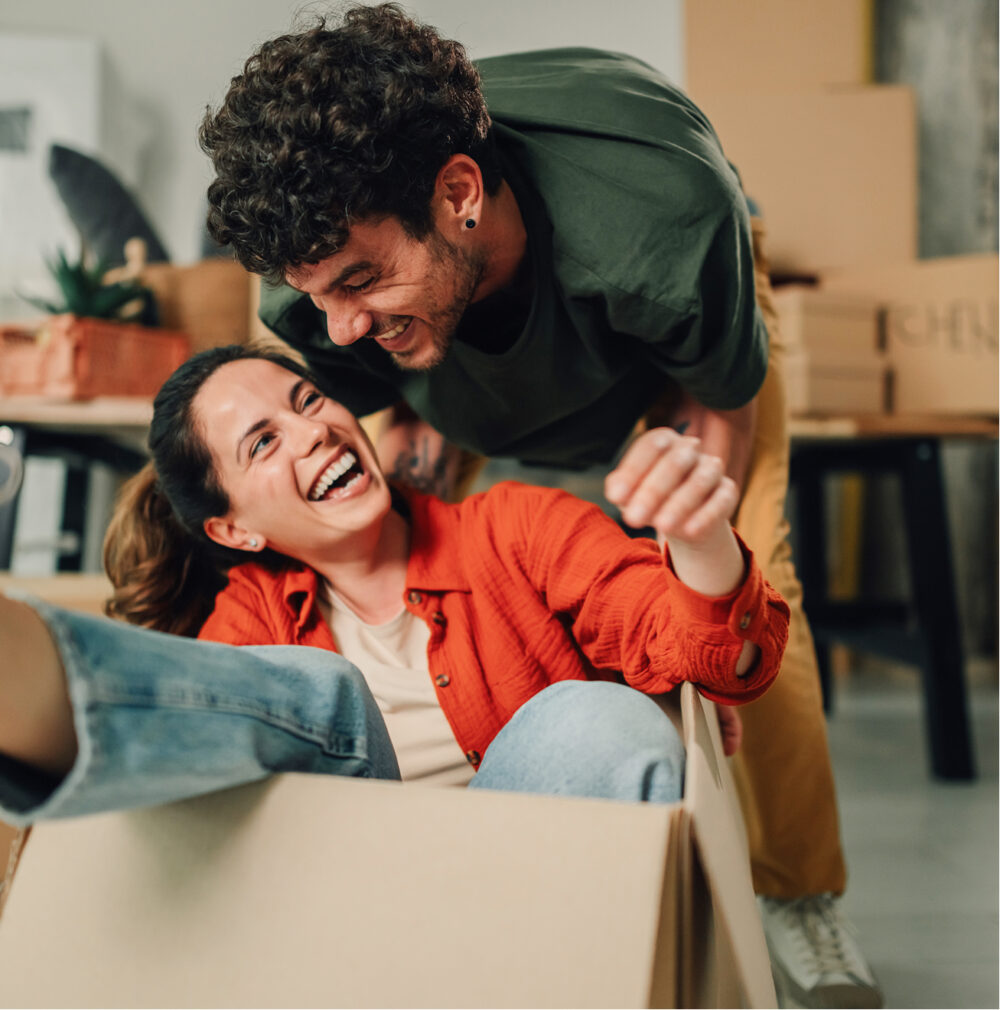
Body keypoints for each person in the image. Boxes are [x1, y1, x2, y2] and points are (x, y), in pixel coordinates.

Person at [197, 7, 881, 1006]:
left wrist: (695, 600)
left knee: (746, 581)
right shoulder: (322, 289)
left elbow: (713, 423)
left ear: (460, 193)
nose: (335, 324)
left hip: (663, 359)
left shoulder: (662, 225)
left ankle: (804, 894)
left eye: (360, 280)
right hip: (459, 341)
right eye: (320, 294)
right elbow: (377, 455)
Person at [0, 344, 788, 828]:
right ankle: (27, 680)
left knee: (600, 720)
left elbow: (709, 648)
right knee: (314, 685)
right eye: (264, 442)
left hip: (535, 885)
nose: (314, 429)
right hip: (352, 906)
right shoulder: (253, 620)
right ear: (234, 530)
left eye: (308, 400)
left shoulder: (512, 528)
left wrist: (697, 537)